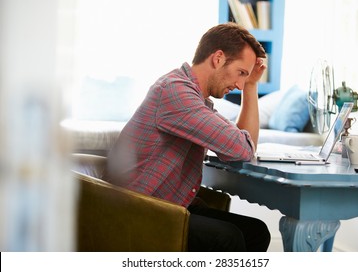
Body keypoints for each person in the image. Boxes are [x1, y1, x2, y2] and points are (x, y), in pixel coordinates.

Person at [105, 22, 271, 251]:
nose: (240, 85)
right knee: (228, 237)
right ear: (219, 58)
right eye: (241, 73)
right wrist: (242, 143)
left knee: (255, 232)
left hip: (169, 203)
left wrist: (252, 86)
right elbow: (242, 148)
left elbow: (243, 147)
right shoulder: (176, 92)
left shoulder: (197, 100)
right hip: (138, 209)